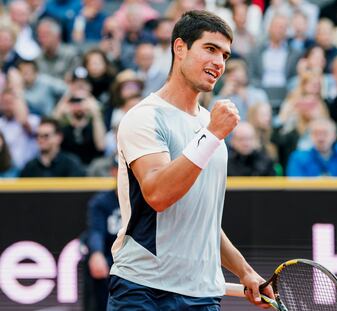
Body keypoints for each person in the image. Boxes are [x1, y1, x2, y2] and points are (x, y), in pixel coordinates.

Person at [108, 10, 273, 310]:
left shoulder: (211, 127)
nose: (219, 63)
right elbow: (158, 194)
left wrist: (245, 270)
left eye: (224, 55)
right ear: (180, 48)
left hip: (201, 294)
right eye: (210, 49)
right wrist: (211, 136)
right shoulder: (145, 118)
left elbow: (203, 220)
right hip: (142, 289)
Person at [82, 155, 121, 310]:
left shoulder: (144, 198)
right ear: (113, 171)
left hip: (137, 260)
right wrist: (96, 253)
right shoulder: (101, 202)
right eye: (120, 170)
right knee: (94, 261)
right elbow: (96, 231)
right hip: (111, 259)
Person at [20, 117, 85, 177]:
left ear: (59, 137)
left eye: (46, 136)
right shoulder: (30, 167)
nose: (40, 139)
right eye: (38, 135)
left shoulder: (71, 164)